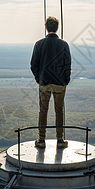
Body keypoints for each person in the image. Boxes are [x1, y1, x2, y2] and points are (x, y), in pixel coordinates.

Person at [30, 16, 71, 149]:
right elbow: (67, 64)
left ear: (46, 28)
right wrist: (65, 80)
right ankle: (60, 140)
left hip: (44, 83)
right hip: (60, 83)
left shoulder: (39, 44)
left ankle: (41, 139)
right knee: (59, 110)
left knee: (43, 110)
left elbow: (33, 64)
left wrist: (39, 79)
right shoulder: (64, 44)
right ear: (57, 28)